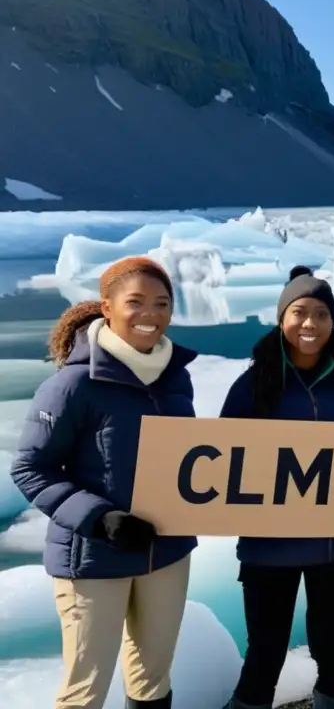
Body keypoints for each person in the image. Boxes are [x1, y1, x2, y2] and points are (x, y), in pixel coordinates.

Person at [10, 257, 198, 709]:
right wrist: (101, 518)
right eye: (135, 302)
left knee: (153, 675)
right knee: (85, 688)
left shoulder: (177, 378)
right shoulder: (73, 384)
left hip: (167, 551)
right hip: (92, 555)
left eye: (161, 303)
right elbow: (30, 468)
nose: (149, 314)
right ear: (107, 307)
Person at [220, 266, 334, 709]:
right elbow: (223, 463)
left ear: (333, 322)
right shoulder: (253, 384)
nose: (309, 324)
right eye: (299, 313)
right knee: (265, 653)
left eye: (321, 314)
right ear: (281, 319)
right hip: (267, 549)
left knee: (332, 648)